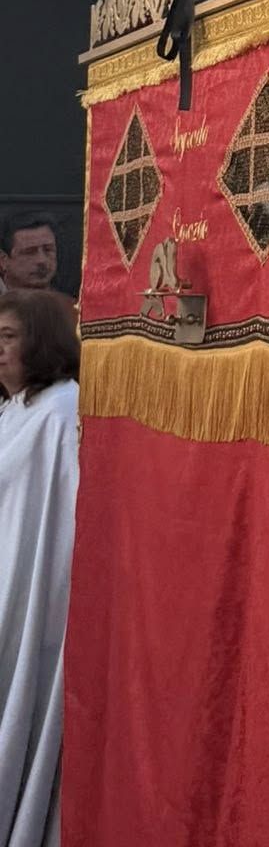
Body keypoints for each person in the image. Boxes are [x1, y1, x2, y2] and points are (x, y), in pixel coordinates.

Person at [0, 288, 81, 847]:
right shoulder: (17, 406)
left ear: (43, 340)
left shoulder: (63, 411)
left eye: (7, 338)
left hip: (35, 597)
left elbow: (70, 515)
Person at [0, 212, 64, 295]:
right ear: (3, 260)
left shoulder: (73, 303)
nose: (42, 260)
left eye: (48, 250)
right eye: (29, 252)